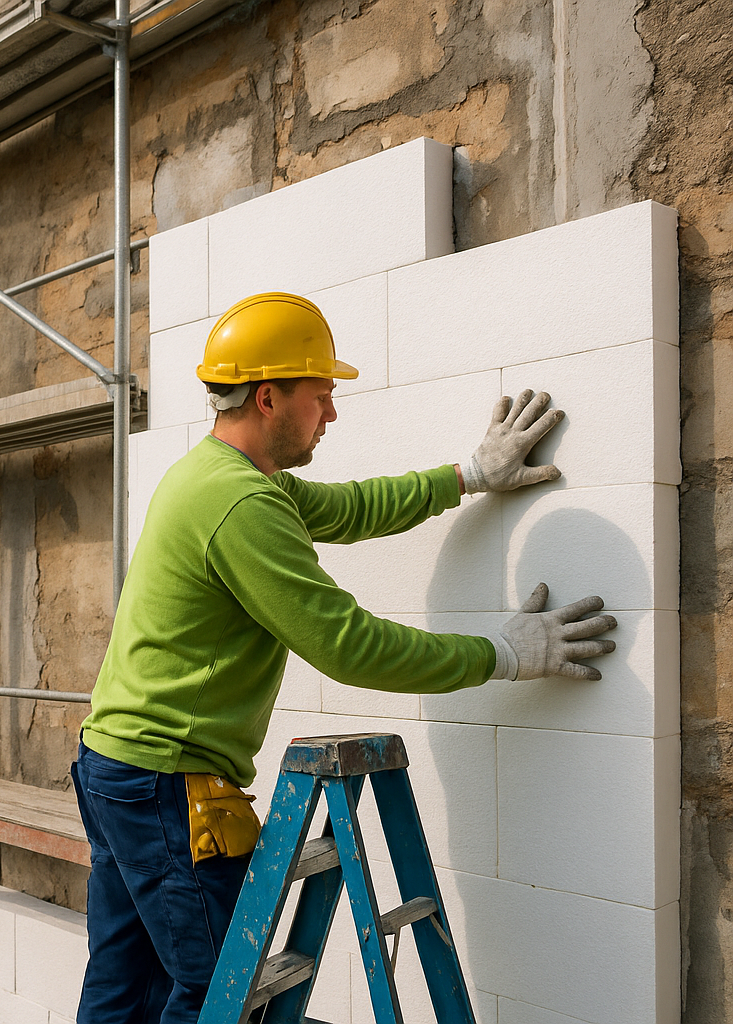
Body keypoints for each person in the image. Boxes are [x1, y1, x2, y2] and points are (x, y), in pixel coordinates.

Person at [72, 292, 618, 1024]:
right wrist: (503, 655)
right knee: (222, 999)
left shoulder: (221, 477)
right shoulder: (241, 505)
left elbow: (355, 508)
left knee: (126, 992)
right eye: (321, 394)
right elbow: (348, 645)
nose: (332, 412)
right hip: (168, 785)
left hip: (118, 770)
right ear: (269, 398)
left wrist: (468, 474)